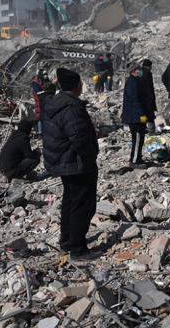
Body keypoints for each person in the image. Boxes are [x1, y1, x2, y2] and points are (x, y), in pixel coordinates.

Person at [42, 68, 101, 261]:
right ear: (76, 86)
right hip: (76, 163)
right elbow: (79, 137)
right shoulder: (72, 108)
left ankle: (66, 241)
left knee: (70, 202)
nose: (82, 86)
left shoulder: (55, 104)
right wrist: (90, 156)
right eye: (81, 83)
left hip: (64, 162)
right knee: (83, 205)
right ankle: (78, 249)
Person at [121, 63, 152, 167]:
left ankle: (137, 158)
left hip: (136, 115)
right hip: (135, 117)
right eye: (138, 70)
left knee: (139, 138)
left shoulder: (136, 81)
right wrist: (141, 113)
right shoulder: (132, 82)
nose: (140, 71)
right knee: (138, 138)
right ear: (134, 71)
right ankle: (134, 161)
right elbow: (134, 100)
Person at [140, 59, 157, 131]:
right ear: (149, 66)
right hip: (147, 97)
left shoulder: (138, 72)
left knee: (143, 113)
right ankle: (151, 129)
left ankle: (142, 127)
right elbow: (150, 86)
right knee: (150, 113)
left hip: (140, 97)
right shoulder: (148, 73)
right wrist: (152, 98)